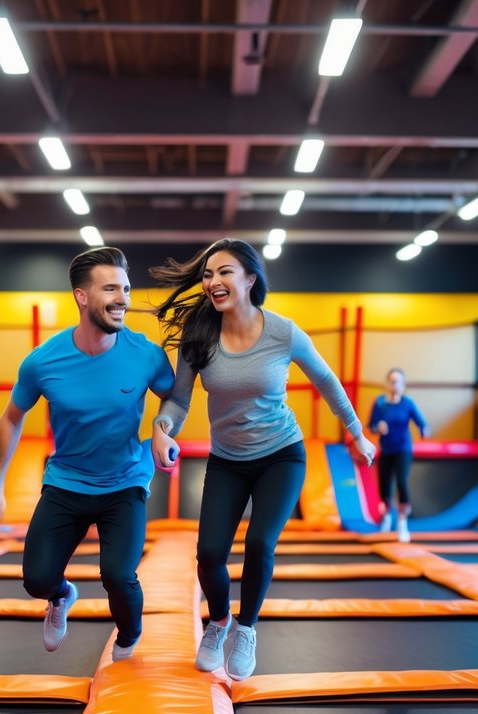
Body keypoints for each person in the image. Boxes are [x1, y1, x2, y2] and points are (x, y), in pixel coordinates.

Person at [150, 238, 376, 682]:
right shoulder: (200, 337)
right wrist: (162, 428)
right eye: (208, 274)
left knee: (259, 544)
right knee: (210, 554)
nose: (213, 281)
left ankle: (247, 629)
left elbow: (327, 382)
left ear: (250, 280)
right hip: (227, 460)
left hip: (281, 456)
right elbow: (178, 400)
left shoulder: (283, 332)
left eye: (224, 272)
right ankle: (218, 622)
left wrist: (357, 433)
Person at [0, 247, 174, 662]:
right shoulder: (43, 361)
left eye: (125, 288)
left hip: (125, 481)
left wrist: (161, 430)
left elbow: (175, 399)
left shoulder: (145, 354)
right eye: (110, 289)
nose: (122, 298)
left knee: (119, 576)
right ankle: (61, 594)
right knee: (36, 579)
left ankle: (128, 637)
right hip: (66, 480)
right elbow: (11, 418)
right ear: (81, 297)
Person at [369, 367, 430, 541]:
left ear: (403, 385)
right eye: (392, 381)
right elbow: (371, 425)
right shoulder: (380, 403)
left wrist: (424, 429)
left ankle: (402, 522)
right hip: (386, 449)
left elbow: (422, 423)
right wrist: (377, 427)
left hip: (403, 448)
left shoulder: (408, 403)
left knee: (401, 481)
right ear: (387, 384)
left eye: (398, 382)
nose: (395, 385)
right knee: (384, 487)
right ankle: (388, 514)